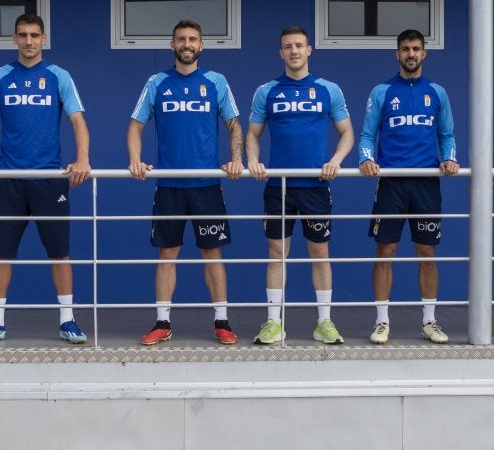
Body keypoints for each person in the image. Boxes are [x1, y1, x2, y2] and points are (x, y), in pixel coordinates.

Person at [0, 13, 91, 345]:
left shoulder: (58, 77)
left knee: (60, 254)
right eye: (22, 35)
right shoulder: (0, 77)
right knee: (2, 253)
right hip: (8, 179)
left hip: (49, 178)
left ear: (44, 39)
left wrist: (83, 159)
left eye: (34, 35)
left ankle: (68, 320)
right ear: (14, 39)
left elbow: (77, 121)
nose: (28, 41)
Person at [127, 20, 244, 346]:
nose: (187, 43)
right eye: (181, 39)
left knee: (212, 254)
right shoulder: (157, 82)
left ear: (201, 45)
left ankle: (222, 320)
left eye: (193, 39)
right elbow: (135, 126)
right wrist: (136, 160)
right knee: (167, 254)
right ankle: (162, 321)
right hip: (169, 186)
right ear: (172, 44)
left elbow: (234, 124)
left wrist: (236, 159)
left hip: (206, 185)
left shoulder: (216, 82)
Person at [245, 25, 355, 346]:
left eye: (299, 46)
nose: (293, 51)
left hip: (316, 185)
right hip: (278, 185)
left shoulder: (327, 89)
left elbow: (347, 132)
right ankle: (274, 322)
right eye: (287, 47)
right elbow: (252, 134)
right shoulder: (267, 90)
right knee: (277, 251)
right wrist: (253, 160)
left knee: (319, 251)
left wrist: (336, 160)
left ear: (309, 50)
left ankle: (324, 322)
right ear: (281, 53)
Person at [359, 29, 459, 346]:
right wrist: (366, 159)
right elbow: (366, 135)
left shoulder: (438, 93)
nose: (411, 54)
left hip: (427, 183)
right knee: (385, 250)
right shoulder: (382, 91)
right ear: (397, 53)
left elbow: (447, 135)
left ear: (424, 53)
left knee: (427, 252)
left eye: (416, 48)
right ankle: (381, 322)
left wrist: (450, 159)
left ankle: (429, 320)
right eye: (405, 49)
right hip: (391, 183)